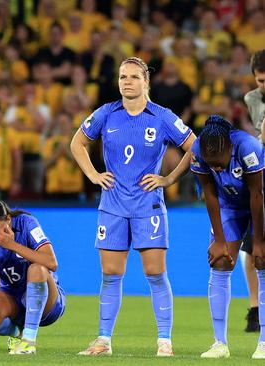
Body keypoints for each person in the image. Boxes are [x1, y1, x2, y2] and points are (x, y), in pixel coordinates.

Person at [70, 56, 196, 357]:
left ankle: (164, 341)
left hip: (147, 205)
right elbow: (77, 143)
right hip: (112, 204)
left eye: (134, 77)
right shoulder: (106, 114)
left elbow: (196, 146)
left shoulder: (162, 117)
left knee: (155, 273)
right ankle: (103, 341)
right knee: (110, 274)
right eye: (123, 77)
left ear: (146, 81)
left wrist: (168, 179)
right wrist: (93, 175)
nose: (127, 81)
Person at [191, 116, 265, 359]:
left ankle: (264, 343)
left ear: (230, 148)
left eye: (220, 164)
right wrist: (220, 241)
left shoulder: (248, 147)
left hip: (260, 203)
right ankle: (220, 343)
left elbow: (257, 194)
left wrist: (259, 242)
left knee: (262, 262)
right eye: (212, 165)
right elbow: (210, 194)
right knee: (220, 261)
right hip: (229, 206)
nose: (217, 169)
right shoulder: (199, 150)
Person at [0, 198, 66, 355]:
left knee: (36, 269)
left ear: (8, 220)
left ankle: (28, 342)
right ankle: (18, 334)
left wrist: (11, 244)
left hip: (46, 300)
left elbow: (51, 262)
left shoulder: (26, 223)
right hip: (13, 298)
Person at [241, 48, 265, 332]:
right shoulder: (252, 100)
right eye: (260, 81)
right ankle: (255, 309)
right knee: (252, 248)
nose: (264, 86)